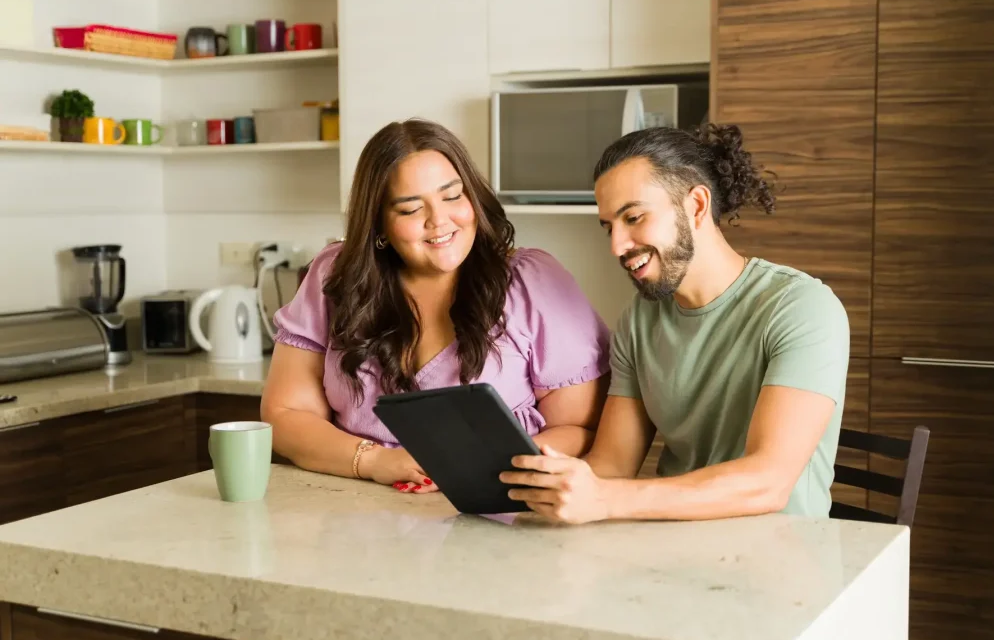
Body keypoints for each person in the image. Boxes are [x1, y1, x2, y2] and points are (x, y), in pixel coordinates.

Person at [500, 123, 850, 523]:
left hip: (780, 561)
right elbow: (613, 463)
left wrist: (607, 500)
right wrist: (533, 476)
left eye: (633, 217)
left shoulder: (800, 307)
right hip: (670, 549)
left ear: (696, 206)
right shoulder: (638, 321)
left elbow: (767, 480)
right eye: (609, 227)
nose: (617, 245)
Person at [261, 118, 611, 494]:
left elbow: (583, 430)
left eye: (452, 196)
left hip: (493, 513)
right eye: (411, 209)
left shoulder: (533, 282)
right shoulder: (335, 274)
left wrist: (479, 464)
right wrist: (377, 461)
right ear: (379, 225)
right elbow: (285, 416)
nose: (439, 220)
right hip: (354, 512)